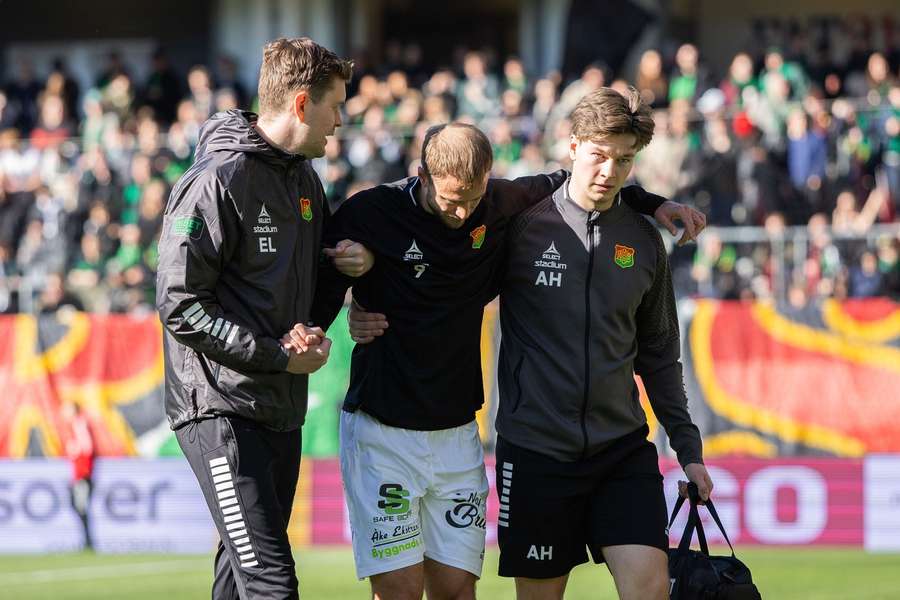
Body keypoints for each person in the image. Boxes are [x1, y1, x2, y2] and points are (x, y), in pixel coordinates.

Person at [309, 122, 705, 600]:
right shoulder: (370, 211)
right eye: (451, 200)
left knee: (457, 592)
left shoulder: (501, 203)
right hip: (384, 429)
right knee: (400, 592)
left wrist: (653, 203)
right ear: (423, 175)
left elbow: (582, 179)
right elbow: (318, 284)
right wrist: (348, 289)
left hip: (457, 433)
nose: (462, 213)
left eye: (473, 199)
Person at [156, 37, 369, 599]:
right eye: (335, 106)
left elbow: (311, 291)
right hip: (219, 409)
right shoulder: (216, 181)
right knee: (271, 583)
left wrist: (343, 277)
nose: (340, 121)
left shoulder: (304, 180)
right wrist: (276, 354)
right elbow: (179, 302)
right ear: (301, 104)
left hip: (279, 406)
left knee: (239, 578)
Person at [493, 87, 711, 599]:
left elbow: (660, 357)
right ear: (572, 146)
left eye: (625, 160)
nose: (610, 171)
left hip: (621, 452)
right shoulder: (522, 227)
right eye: (599, 155)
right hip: (535, 451)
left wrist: (689, 449)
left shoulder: (644, 240)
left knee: (651, 590)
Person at [63, 402, 95, 551]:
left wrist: (75, 449)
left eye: (66, 409)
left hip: (82, 475)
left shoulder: (79, 424)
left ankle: (88, 542)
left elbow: (87, 448)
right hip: (79, 475)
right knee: (77, 506)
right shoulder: (74, 426)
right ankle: (86, 541)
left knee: (80, 507)